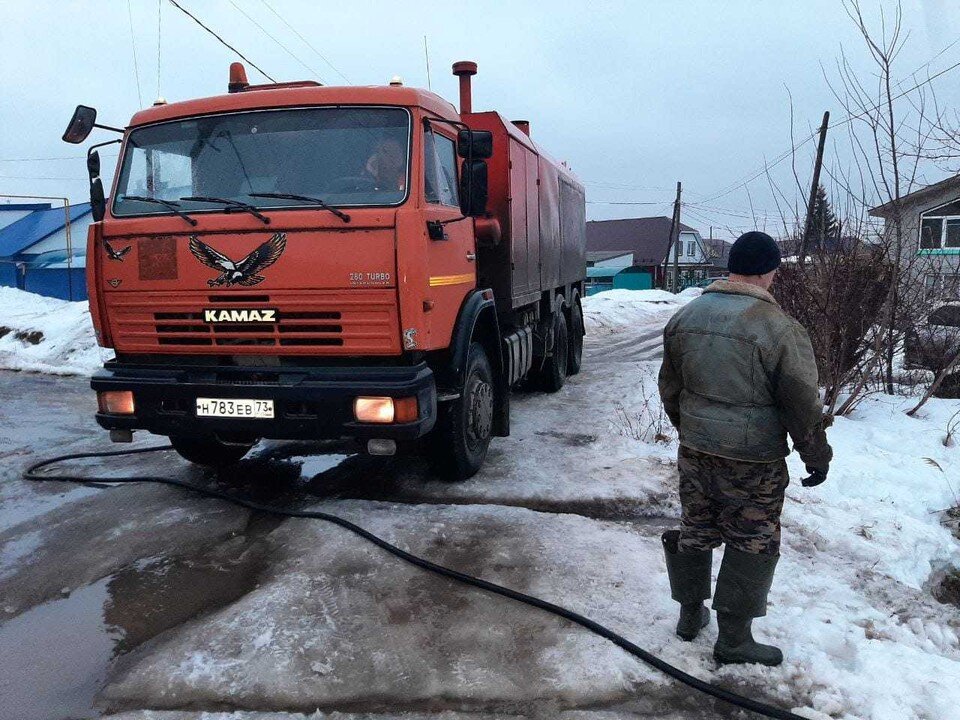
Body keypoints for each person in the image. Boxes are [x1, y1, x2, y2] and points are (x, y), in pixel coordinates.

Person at [657, 230, 832, 666]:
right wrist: (816, 454)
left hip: (696, 449)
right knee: (752, 538)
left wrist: (691, 430)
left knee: (696, 527)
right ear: (771, 271)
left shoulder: (686, 317)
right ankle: (734, 639)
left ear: (731, 267)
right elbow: (800, 403)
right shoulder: (779, 329)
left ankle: (689, 615)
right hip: (753, 459)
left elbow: (670, 388)